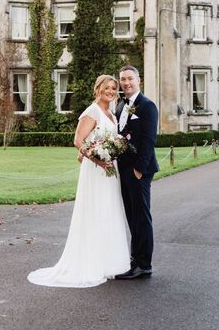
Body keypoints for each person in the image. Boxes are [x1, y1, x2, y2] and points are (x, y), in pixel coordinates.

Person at [27, 75, 130, 288]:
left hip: (110, 169)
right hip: (95, 170)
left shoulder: (111, 113)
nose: (110, 91)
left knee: (108, 212)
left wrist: (111, 152)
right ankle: (91, 262)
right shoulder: (92, 111)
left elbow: (105, 140)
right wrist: (96, 158)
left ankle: (108, 263)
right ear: (98, 89)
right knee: (94, 212)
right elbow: (78, 140)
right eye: (106, 88)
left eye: (114, 88)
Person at [114, 65, 159, 279]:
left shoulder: (147, 106)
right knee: (132, 217)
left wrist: (140, 169)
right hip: (123, 170)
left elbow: (149, 140)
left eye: (130, 78)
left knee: (142, 217)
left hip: (139, 171)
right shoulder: (121, 105)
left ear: (138, 80)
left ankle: (144, 264)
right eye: (123, 79)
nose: (126, 83)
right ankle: (135, 259)